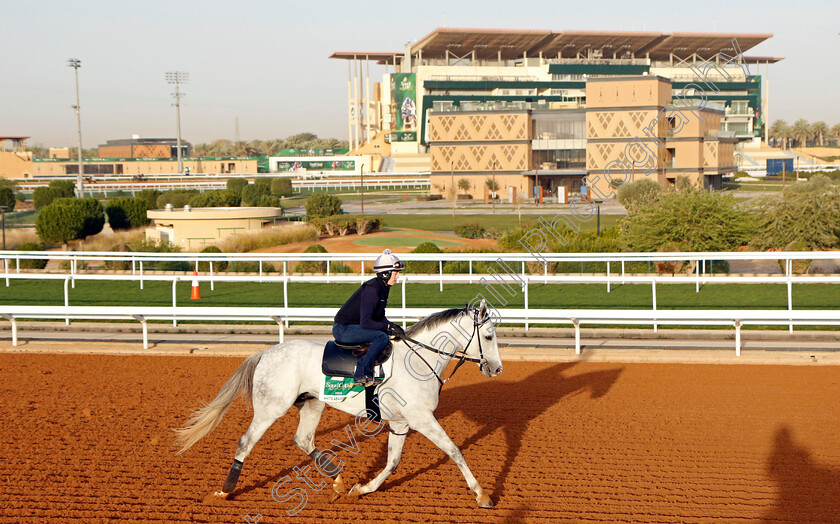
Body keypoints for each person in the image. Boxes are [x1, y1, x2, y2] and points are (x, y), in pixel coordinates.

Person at [333, 249, 406, 386]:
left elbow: (379, 316)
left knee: (385, 333)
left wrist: (392, 325)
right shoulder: (372, 289)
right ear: (386, 274)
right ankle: (361, 372)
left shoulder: (383, 287)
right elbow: (366, 322)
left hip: (354, 326)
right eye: (395, 273)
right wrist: (386, 327)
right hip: (343, 329)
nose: (397, 277)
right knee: (381, 337)